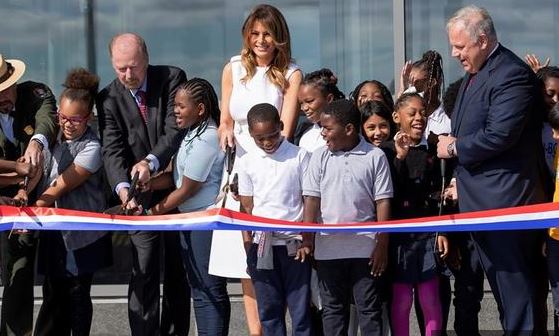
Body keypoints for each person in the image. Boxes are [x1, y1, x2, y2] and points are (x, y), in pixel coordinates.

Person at [438, 5, 547, 333]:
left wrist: (454, 147)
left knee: (520, 301)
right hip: (480, 204)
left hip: (506, 207)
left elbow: (500, 135)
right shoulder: (477, 74)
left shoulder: (511, 74)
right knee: (505, 300)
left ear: (482, 40)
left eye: (460, 46)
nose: (454, 54)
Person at [213, 5, 303, 334]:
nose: (261, 40)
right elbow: (225, 119)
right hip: (238, 169)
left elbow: (287, 131)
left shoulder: (292, 72)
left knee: (275, 256)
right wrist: (224, 131)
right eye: (255, 33)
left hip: (274, 170)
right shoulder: (232, 68)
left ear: (279, 37)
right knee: (245, 260)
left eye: (267, 33)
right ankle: (257, 331)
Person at [96, 32, 189, 336]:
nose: (128, 75)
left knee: (178, 271)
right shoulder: (108, 98)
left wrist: (150, 162)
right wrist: (124, 190)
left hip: (177, 190)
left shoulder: (173, 78)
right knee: (143, 270)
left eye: (134, 67)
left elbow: (173, 132)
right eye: (120, 68)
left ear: (146, 59)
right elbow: (111, 150)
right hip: (138, 197)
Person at [24, 68, 112, 336]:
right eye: (62, 117)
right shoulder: (52, 138)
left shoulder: (92, 147)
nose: (66, 124)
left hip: (83, 233)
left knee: (78, 295)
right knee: (53, 292)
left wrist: (27, 213)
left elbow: (58, 187)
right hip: (54, 232)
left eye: (75, 119)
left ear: (89, 118)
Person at [144, 78, 230, 335]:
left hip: (203, 222)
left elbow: (186, 189)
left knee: (209, 290)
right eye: (175, 106)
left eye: (182, 106)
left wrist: (151, 213)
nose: (175, 111)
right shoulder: (192, 134)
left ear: (201, 109)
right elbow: (174, 177)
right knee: (200, 289)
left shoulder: (208, 138)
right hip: (189, 221)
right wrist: (147, 184)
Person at [303, 99, 393, 336]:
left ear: (349, 129)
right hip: (328, 250)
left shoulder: (375, 157)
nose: (323, 133)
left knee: (369, 310)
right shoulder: (319, 157)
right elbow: (311, 199)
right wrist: (307, 239)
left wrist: (382, 244)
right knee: (333, 311)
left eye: (328, 128)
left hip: (365, 250)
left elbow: (382, 201)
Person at [238, 103, 312, 335]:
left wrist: (307, 239)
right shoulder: (247, 161)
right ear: (251, 135)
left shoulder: (299, 156)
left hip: (294, 244)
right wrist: (248, 245)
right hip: (262, 245)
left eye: (272, 136)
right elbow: (246, 208)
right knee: (269, 311)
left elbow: (309, 201)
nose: (268, 143)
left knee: (300, 311)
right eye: (260, 139)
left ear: (281, 126)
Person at [0, 54, 57, 336]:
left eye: (6, 87)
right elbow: (23, 168)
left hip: (25, 203)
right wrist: (17, 169)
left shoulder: (36, 93)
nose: (3, 97)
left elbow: (47, 117)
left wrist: (37, 142)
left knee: (19, 274)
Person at [383, 93, 449, 336]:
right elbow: (388, 192)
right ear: (396, 117)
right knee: (401, 300)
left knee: (430, 297)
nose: (419, 118)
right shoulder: (386, 151)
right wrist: (400, 157)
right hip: (399, 236)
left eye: (423, 112)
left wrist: (442, 229)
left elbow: (442, 193)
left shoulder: (435, 149)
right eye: (412, 113)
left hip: (428, 234)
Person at [297, 68, 345, 152]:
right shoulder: (305, 136)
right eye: (301, 103)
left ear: (329, 98)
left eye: (309, 101)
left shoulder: (345, 133)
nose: (304, 108)